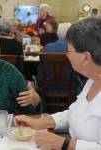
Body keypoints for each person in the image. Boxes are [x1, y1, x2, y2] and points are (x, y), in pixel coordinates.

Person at [15, 16, 101, 149]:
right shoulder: (92, 80)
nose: (66, 55)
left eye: (69, 50)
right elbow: (74, 113)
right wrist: (39, 122)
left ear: (86, 58)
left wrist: (63, 143)